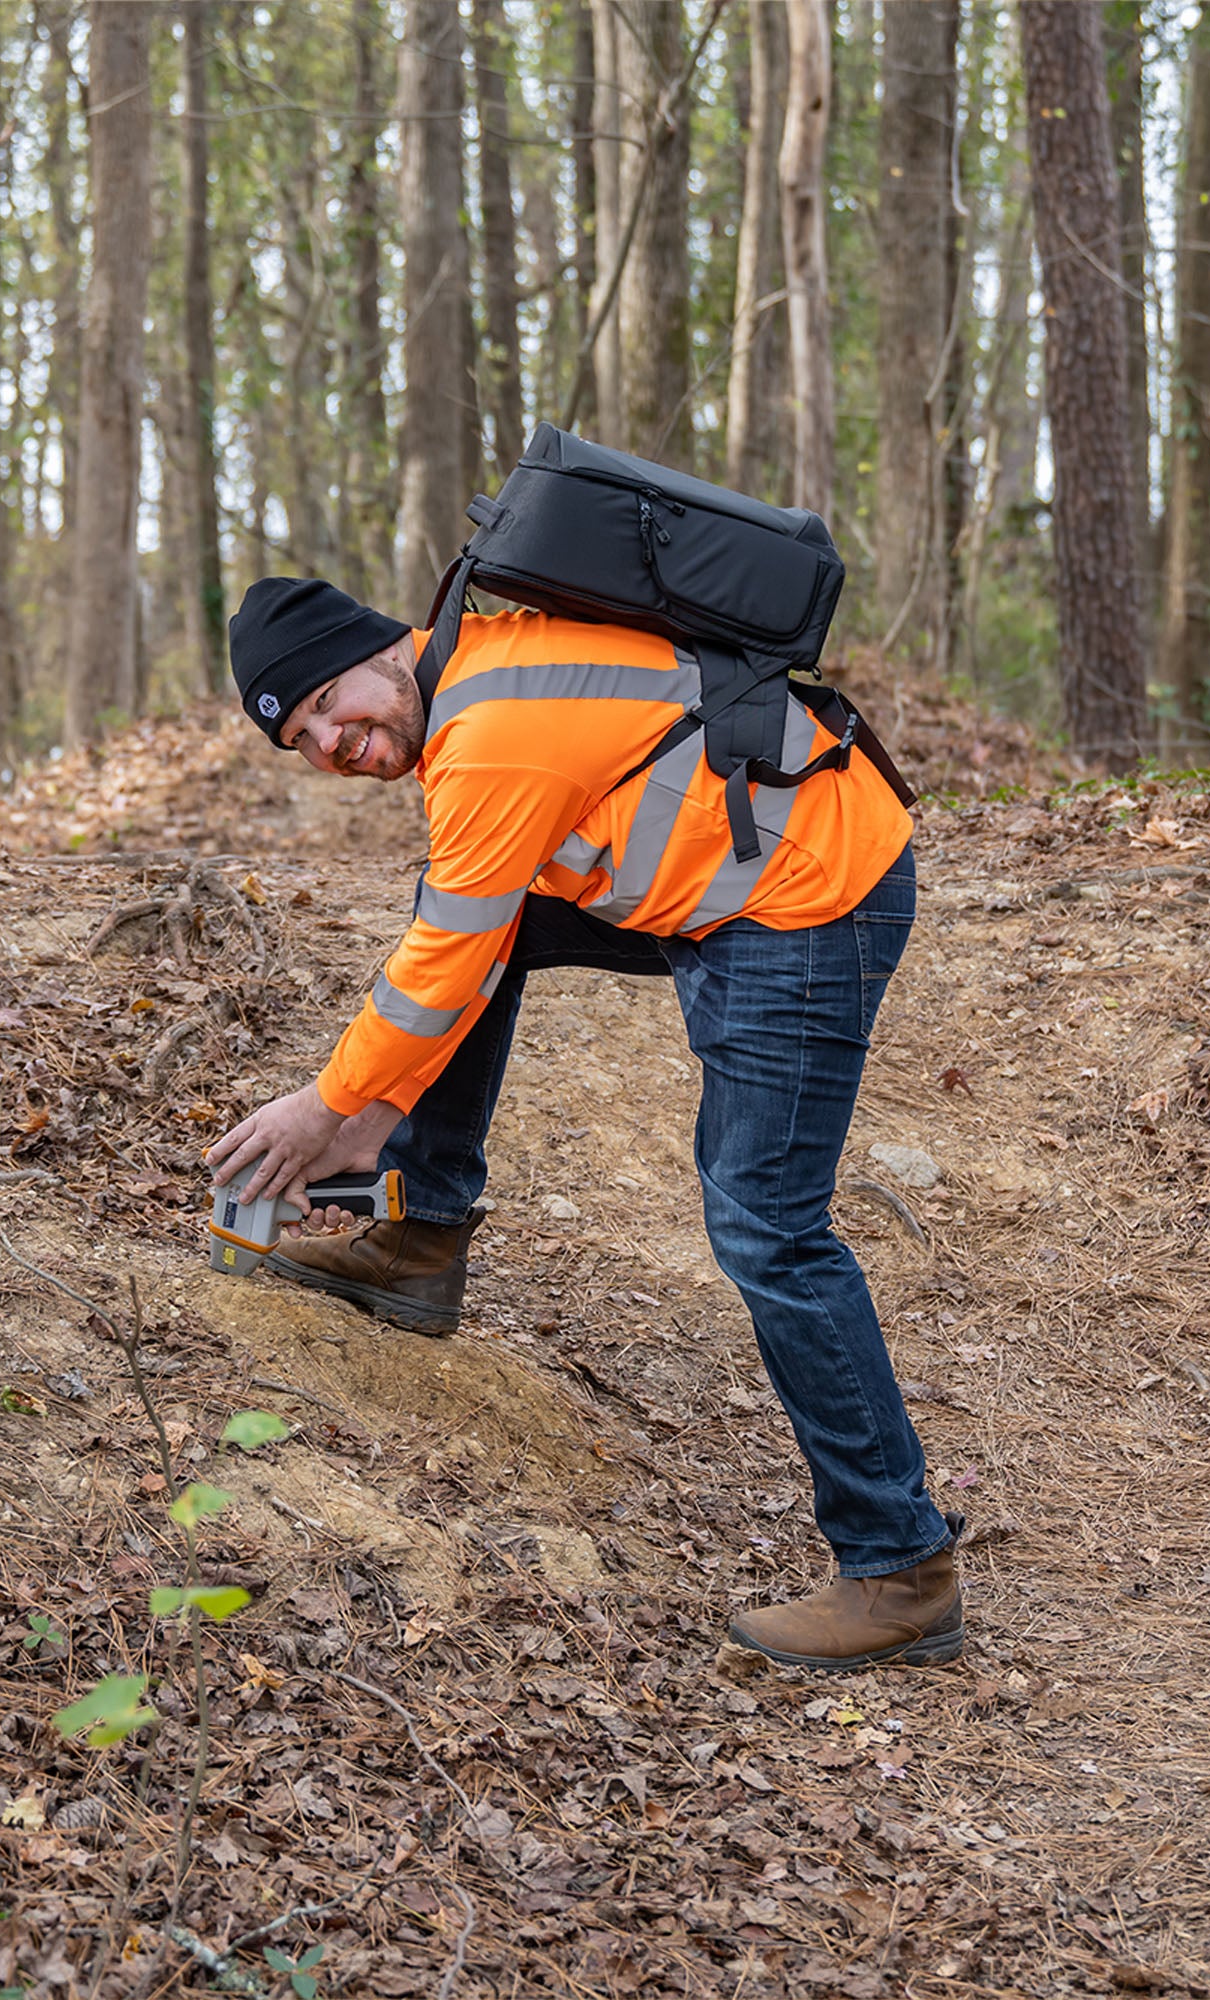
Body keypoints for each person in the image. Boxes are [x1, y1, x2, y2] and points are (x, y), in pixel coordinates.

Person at [205, 574, 966, 1671]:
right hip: (736, 849)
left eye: (328, 700)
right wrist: (367, 1110)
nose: (334, 743)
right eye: (306, 739)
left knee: (766, 1227)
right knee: (485, 918)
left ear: (377, 649)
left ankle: (900, 1565)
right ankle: (419, 1239)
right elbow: (465, 931)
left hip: (803, 893)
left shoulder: (485, 734)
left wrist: (327, 1109)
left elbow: (437, 967)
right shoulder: (475, 660)